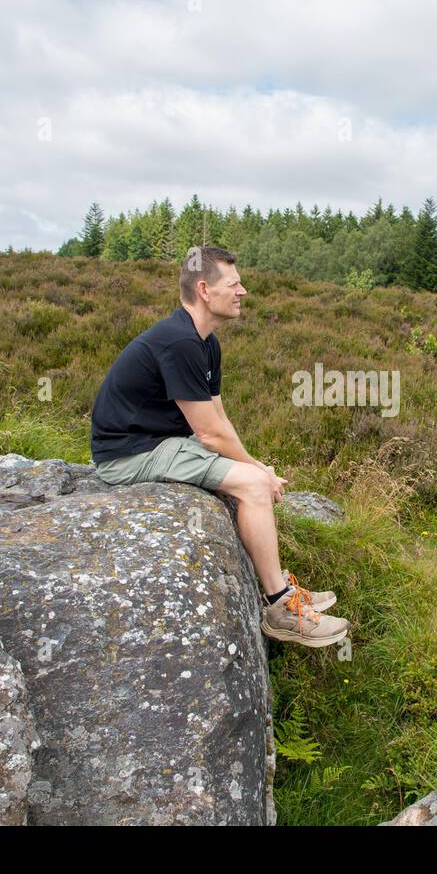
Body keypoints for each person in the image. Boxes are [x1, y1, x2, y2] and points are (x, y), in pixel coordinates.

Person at [90, 245, 350, 649]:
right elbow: (210, 435)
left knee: (252, 477)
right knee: (253, 486)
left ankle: (281, 588)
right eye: (234, 283)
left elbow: (219, 420)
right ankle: (281, 607)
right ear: (204, 289)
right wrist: (258, 474)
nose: (243, 291)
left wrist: (254, 463)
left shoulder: (205, 342)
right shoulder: (179, 342)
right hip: (129, 455)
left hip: (161, 441)